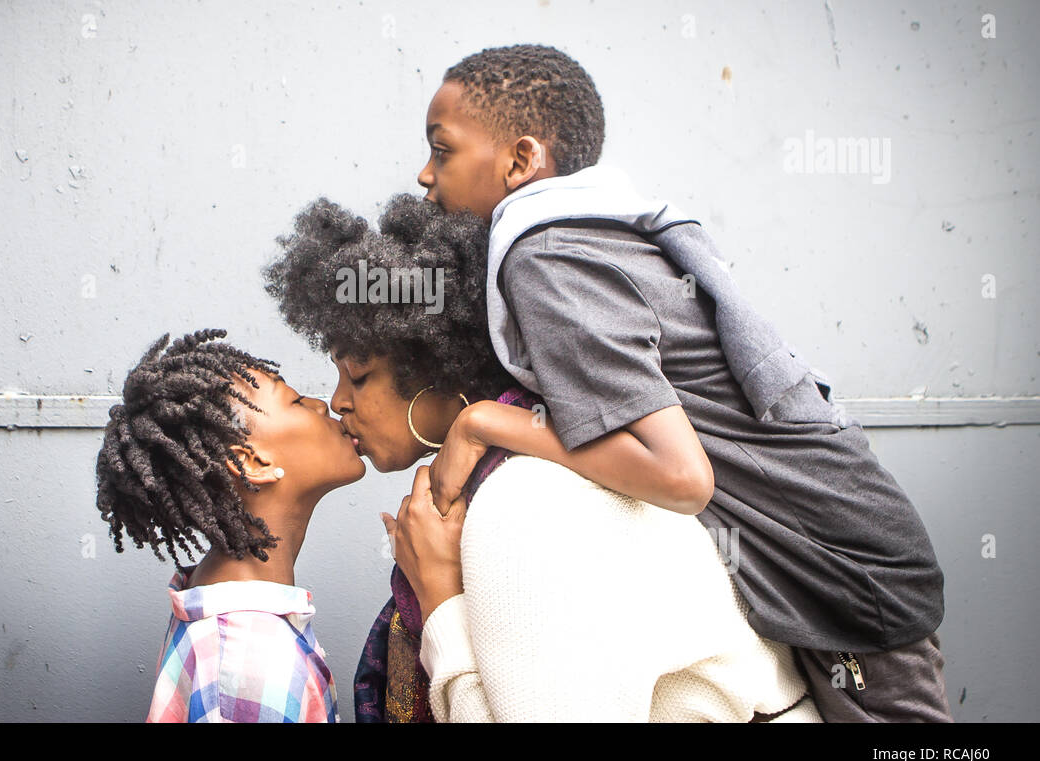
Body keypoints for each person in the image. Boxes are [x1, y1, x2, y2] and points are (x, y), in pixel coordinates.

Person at [413, 43, 952, 722]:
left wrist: (481, 422)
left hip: (845, 573)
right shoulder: (598, 231)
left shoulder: (547, 257)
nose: (424, 175)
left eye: (442, 150)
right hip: (842, 553)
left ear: (522, 160)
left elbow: (679, 476)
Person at [264, 195, 822, 722]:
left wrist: (439, 600)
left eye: (359, 375)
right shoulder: (526, 469)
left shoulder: (525, 505)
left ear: (435, 369)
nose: (337, 401)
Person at [95, 328, 366, 722]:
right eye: (295, 401)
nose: (323, 406)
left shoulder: (215, 601)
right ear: (254, 462)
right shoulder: (254, 667)